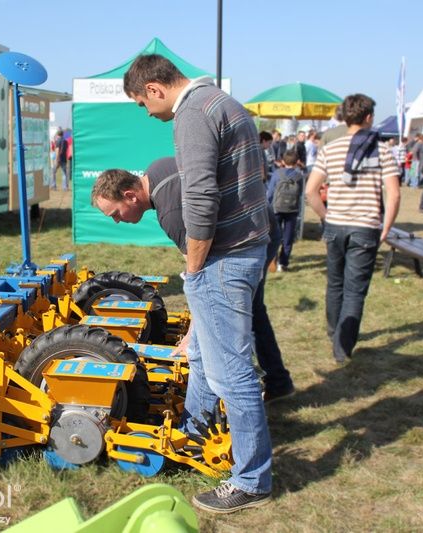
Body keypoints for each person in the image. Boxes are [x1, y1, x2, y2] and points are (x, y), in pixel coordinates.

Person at [123, 53, 273, 513]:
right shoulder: (223, 102)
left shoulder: (191, 113)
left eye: (141, 104)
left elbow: (201, 196)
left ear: (154, 88)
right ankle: (196, 429)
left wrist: (193, 267)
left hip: (224, 256)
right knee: (205, 353)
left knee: (232, 373)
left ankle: (251, 479)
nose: (146, 113)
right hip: (247, 246)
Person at [91, 157, 295, 403]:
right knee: (252, 309)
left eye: (115, 213)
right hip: (257, 223)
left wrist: (191, 336)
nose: (116, 220)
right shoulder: (156, 169)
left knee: (231, 316)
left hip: (252, 237)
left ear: (130, 195)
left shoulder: (171, 214)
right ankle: (277, 380)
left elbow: (201, 278)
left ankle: (241, 395)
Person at [305, 93, 401, 364]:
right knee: (355, 289)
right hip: (365, 225)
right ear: (369, 117)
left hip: (336, 223)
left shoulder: (330, 149)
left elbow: (311, 191)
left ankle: (334, 331)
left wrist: (326, 216)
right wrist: (386, 227)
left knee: (335, 282)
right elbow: (393, 194)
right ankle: (342, 347)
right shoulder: (381, 149)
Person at [266, 149, 304, 271]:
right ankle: (283, 263)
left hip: (277, 208)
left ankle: (272, 261)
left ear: (283, 161)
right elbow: (300, 193)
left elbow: (270, 193)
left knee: (274, 236)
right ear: (297, 161)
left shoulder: (277, 174)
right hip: (292, 210)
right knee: (288, 238)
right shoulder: (299, 176)